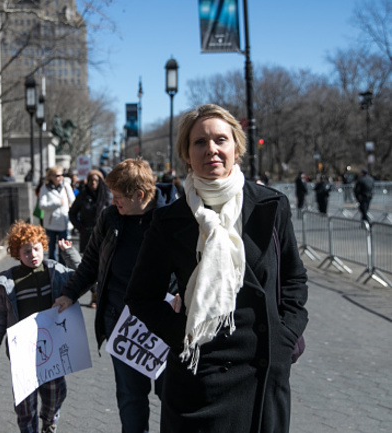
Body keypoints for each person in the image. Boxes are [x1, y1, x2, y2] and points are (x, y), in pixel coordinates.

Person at [125, 104, 309, 433]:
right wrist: (183, 336)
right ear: (186, 153)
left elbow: (293, 279)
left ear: (235, 147)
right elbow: (141, 297)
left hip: (262, 371)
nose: (211, 149)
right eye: (200, 142)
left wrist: (286, 335)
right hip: (199, 377)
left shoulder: (270, 206)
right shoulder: (170, 220)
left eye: (220, 140)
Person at [54, 158, 177, 433]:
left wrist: (179, 292)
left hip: (166, 323)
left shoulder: (172, 217)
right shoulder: (110, 217)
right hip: (121, 322)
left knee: (171, 396)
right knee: (131, 397)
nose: (114, 201)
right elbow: (91, 262)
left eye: (119, 197)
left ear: (140, 195)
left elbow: (193, 265)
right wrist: (70, 294)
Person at [0, 221, 79, 433]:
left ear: (43, 246)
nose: (33, 254)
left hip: (51, 347)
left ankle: (49, 419)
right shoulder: (8, 280)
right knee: (24, 404)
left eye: (36, 248)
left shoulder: (56, 271)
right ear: (17, 253)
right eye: (26, 251)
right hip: (22, 350)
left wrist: (69, 252)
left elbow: (84, 276)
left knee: (55, 392)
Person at [68, 169, 112, 307]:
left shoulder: (107, 196)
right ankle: (94, 295)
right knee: (90, 265)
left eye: (96, 180)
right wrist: (79, 226)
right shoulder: (82, 195)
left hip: (104, 235)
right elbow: (72, 213)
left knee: (103, 265)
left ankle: (102, 294)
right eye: (91, 180)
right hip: (87, 234)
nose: (93, 183)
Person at [38, 166, 75, 262]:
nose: (60, 177)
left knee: (64, 249)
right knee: (51, 249)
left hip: (64, 222)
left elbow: (73, 201)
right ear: (51, 176)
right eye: (58, 175)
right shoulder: (45, 188)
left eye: (62, 175)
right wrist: (57, 203)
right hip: (51, 223)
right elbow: (41, 205)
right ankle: (52, 268)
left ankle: (62, 269)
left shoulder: (66, 186)